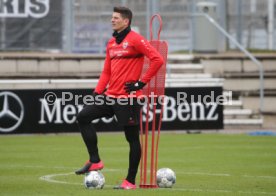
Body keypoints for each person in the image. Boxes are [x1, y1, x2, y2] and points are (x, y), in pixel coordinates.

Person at [75, 6, 164, 190]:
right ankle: (95, 160)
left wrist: (141, 83)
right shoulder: (111, 43)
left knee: (131, 138)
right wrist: (96, 93)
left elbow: (157, 60)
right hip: (110, 96)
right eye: (112, 17)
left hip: (128, 99)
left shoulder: (136, 39)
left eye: (116, 18)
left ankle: (130, 181)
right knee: (83, 117)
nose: (112, 20)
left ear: (126, 21)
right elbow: (106, 71)